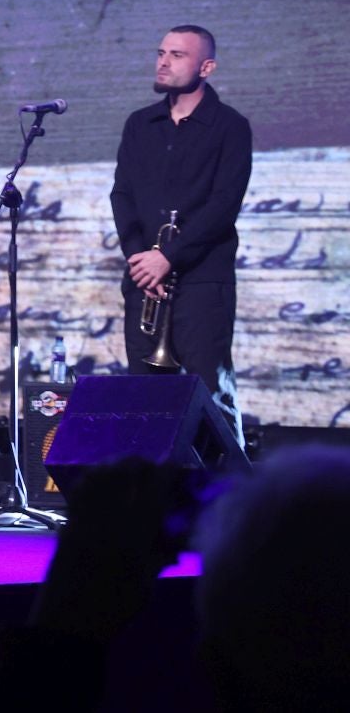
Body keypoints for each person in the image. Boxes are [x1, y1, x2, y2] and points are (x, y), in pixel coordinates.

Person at [110, 24, 252, 432]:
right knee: (146, 401)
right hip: (144, 282)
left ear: (206, 67)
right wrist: (141, 261)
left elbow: (223, 206)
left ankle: (230, 493)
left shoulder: (229, 126)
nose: (163, 63)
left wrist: (167, 257)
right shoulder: (139, 124)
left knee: (212, 394)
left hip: (203, 282)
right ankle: (156, 494)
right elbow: (122, 195)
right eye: (160, 53)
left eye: (177, 55)